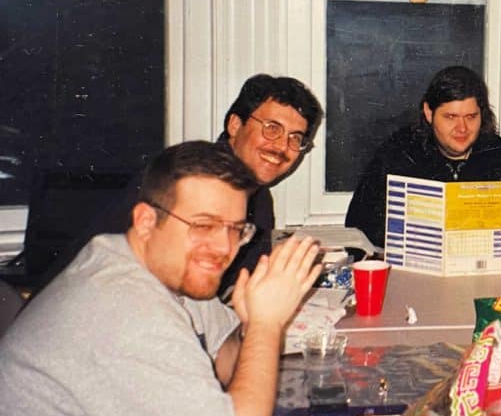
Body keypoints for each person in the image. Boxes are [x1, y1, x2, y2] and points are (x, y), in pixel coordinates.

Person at [0, 141, 321, 416]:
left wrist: (249, 327)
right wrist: (267, 324)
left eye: (236, 229)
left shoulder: (158, 267)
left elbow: (221, 363)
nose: (223, 247)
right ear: (147, 221)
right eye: (204, 225)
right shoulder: (119, 309)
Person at [33, 74, 323, 299]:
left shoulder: (258, 201)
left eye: (296, 138)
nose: (282, 146)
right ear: (235, 125)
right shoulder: (188, 182)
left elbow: (235, 291)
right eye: (271, 128)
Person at [346, 65, 501, 248]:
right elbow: (358, 228)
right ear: (429, 112)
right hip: (415, 272)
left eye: (471, 117)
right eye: (451, 117)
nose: (462, 129)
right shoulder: (398, 153)